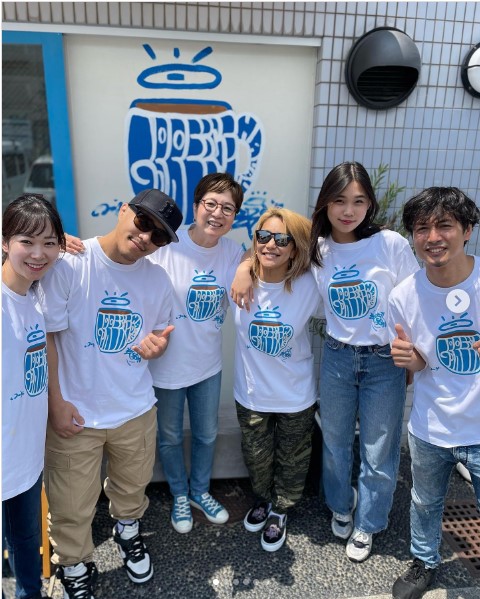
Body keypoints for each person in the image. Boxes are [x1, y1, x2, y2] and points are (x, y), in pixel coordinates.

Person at [39, 190, 182, 598]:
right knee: (70, 504)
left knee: (132, 487)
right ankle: (73, 563)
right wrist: (56, 403)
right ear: (123, 210)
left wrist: (158, 347)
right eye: (143, 222)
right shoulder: (71, 263)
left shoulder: (157, 279)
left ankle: (128, 530)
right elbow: (46, 338)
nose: (146, 237)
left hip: (135, 408)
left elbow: (160, 333)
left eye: (158, 235)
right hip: (75, 413)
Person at [308, 162, 419, 562]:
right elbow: (272, 257)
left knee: (379, 449)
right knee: (335, 442)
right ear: (326, 203)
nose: (348, 210)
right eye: (339, 200)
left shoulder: (389, 244)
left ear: (370, 204)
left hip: (383, 361)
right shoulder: (318, 249)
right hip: (338, 357)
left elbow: (414, 299)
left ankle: (368, 523)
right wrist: (243, 272)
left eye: (358, 201)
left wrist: (411, 358)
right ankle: (341, 505)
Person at [388, 187, 480, 599]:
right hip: (430, 426)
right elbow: (422, 360)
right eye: (422, 228)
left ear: (467, 231)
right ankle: (424, 561)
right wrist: (411, 360)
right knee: (424, 502)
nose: (432, 237)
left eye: (445, 225)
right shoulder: (403, 296)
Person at [148, 173, 244, 533]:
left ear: (234, 216)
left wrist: (246, 268)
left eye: (227, 208)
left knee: (206, 434)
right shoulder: (167, 246)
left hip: (207, 365)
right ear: (196, 205)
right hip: (166, 366)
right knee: (170, 437)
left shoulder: (232, 252)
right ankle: (179, 493)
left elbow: (256, 261)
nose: (217, 213)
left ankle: (200, 491)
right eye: (211, 204)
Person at [230, 207, 321, 552]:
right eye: (263, 236)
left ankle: (280, 510)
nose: (271, 245)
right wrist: (243, 268)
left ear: (295, 247)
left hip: (295, 394)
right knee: (256, 456)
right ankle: (263, 499)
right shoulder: (238, 279)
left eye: (282, 239)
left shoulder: (309, 285)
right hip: (251, 393)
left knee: (292, 459)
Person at [2, 194, 65, 599]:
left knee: (26, 543)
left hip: (25, 460)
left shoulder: (34, 300)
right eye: (26, 241)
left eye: (49, 243)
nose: (38, 254)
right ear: (4, 242)